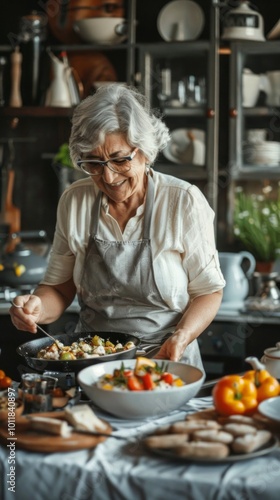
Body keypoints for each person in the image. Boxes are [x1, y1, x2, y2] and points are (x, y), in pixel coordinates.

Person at [10, 83, 225, 370]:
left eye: (120, 159)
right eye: (94, 163)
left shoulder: (182, 201)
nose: (108, 177)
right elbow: (59, 289)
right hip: (91, 362)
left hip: (166, 362)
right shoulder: (75, 200)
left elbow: (208, 291)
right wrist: (35, 308)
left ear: (145, 152)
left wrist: (182, 336)